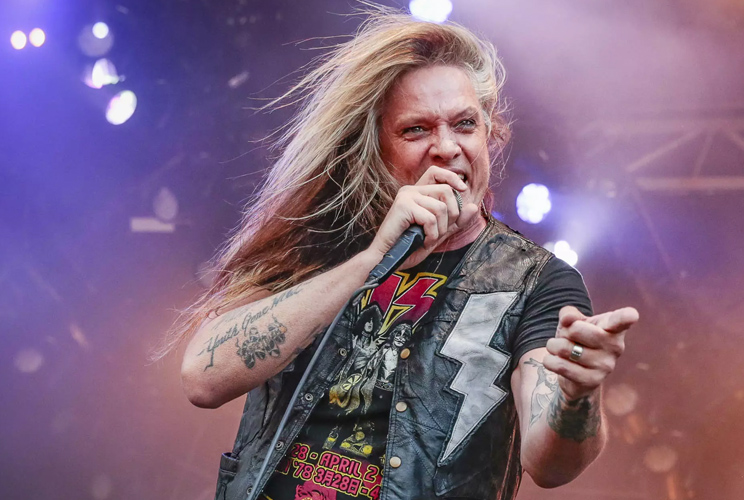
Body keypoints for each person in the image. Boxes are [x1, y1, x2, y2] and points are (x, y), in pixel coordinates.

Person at [168, 9, 639, 500]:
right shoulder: (318, 241)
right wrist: (372, 260)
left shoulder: (535, 281)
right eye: (416, 130)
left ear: (489, 134)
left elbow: (549, 464)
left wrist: (578, 395)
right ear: (375, 147)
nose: (446, 147)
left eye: (464, 124)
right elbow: (203, 379)